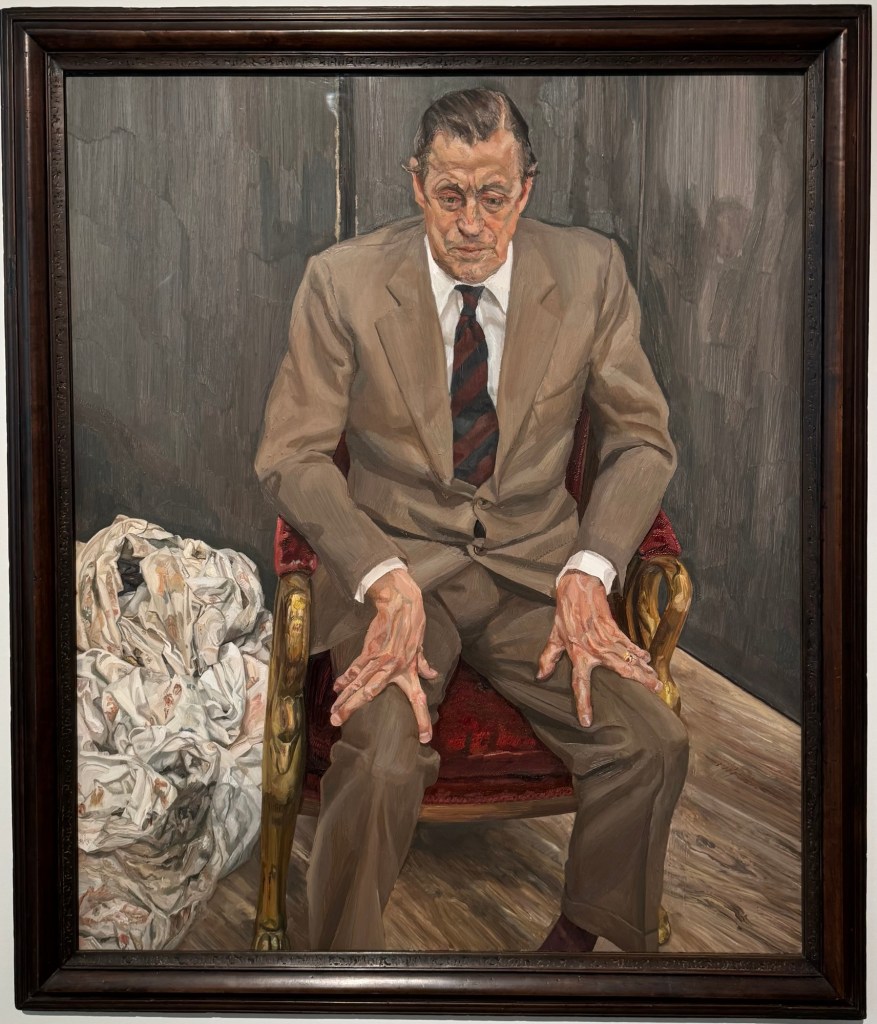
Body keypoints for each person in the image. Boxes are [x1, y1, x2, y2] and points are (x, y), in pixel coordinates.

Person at [255, 87, 688, 954]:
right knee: (381, 756)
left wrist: (591, 570)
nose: (470, 223)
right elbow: (291, 455)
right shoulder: (341, 281)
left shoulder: (591, 271)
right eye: (449, 194)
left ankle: (572, 954)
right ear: (416, 184)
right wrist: (379, 576)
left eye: (492, 196)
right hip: (398, 575)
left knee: (652, 741)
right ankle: (340, 976)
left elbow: (642, 440)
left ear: (524, 190)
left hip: (538, 576)